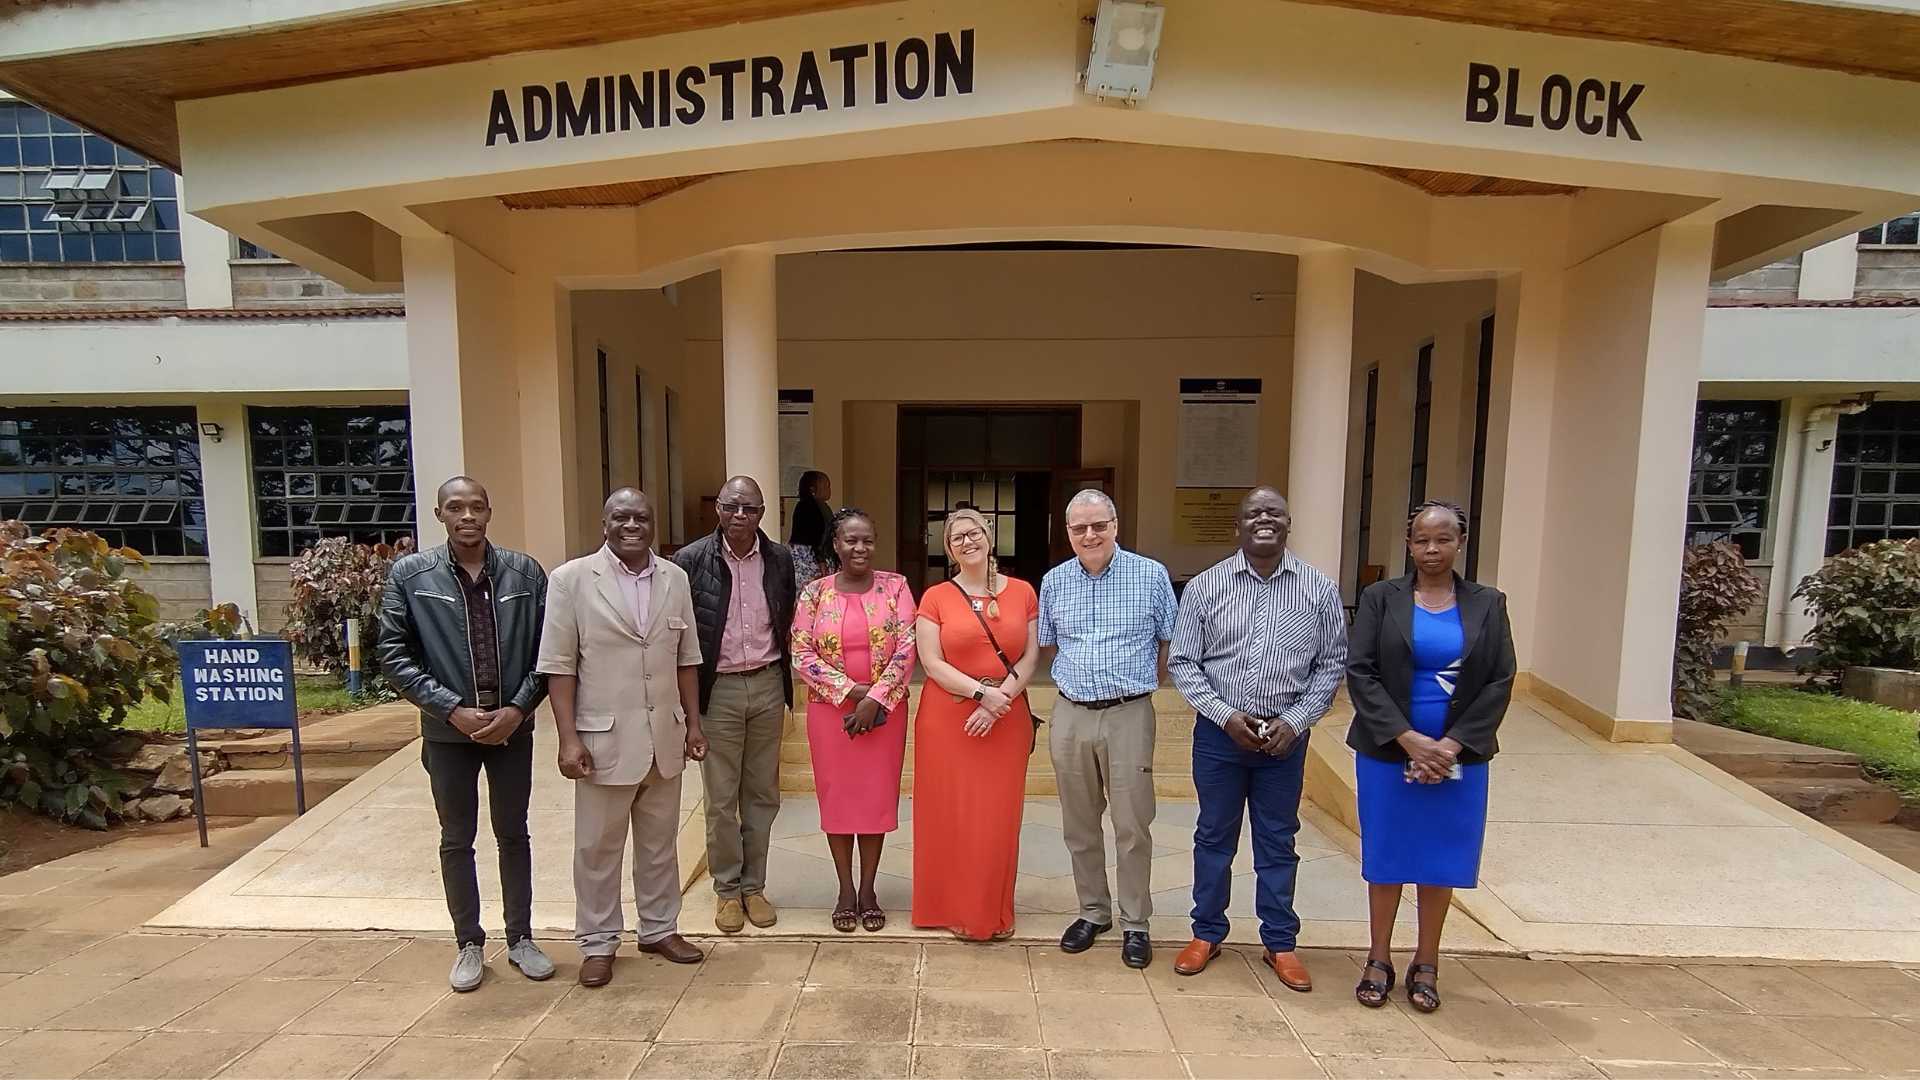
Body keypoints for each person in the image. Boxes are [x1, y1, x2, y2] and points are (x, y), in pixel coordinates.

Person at [378, 476, 554, 993]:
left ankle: (520, 937)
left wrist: (519, 708)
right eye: (456, 507)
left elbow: (550, 650)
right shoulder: (410, 575)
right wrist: (448, 708)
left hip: (511, 730)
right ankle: (468, 943)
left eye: (476, 506)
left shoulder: (525, 573)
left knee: (513, 833)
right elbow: (393, 654)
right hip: (447, 733)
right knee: (457, 838)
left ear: (489, 511)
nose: (467, 516)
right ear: (440, 515)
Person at [1168, 487, 1347, 992]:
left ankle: (1280, 942)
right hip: (1221, 736)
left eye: (1273, 512)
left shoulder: (1318, 590)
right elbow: (1183, 661)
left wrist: (1298, 720)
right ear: (1239, 525)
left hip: (1284, 740)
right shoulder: (1206, 586)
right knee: (1213, 836)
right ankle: (1207, 933)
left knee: (1277, 840)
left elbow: (1332, 664)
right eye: (1253, 513)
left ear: (1289, 522)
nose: (1263, 519)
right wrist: (1225, 717)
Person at [1346, 500, 1515, 1014]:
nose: (1432, 549)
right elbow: (1361, 671)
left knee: (1440, 859)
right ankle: (1378, 957)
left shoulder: (1488, 602)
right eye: (1422, 539)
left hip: (1456, 755)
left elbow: (1499, 680)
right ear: (1409, 543)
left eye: (1443, 539)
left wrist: (1449, 746)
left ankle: (1427, 961)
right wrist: (1408, 738)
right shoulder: (1381, 598)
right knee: (1388, 856)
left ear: (1460, 542)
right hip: (1388, 750)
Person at [537, 488, 709, 987]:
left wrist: (693, 723)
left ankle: (659, 928)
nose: (631, 525)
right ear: (604, 523)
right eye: (621, 517)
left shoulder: (674, 578)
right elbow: (559, 667)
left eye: (640, 517)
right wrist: (567, 738)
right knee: (597, 848)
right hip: (601, 743)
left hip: (664, 737)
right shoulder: (571, 580)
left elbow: (686, 659)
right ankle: (598, 942)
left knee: (659, 845)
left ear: (652, 523)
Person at [1038, 489, 1178, 969]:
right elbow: (1053, 647)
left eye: (1099, 525)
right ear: (1069, 533)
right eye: (1079, 528)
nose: (1090, 535)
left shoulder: (1151, 575)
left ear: (1116, 525)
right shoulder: (1054, 582)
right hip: (1072, 713)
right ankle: (1092, 911)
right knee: (1079, 823)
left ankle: (1136, 921)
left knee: (1132, 823)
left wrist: (1131, 688)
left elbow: (1167, 644)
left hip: (1128, 714)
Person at [671, 476, 796, 934]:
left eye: (750, 508)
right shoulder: (689, 560)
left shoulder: (779, 559)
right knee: (722, 798)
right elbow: (680, 633)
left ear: (762, 512)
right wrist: (686, 711)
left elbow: (787, 619)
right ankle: (726, 890)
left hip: (766, 683)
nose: (740, 516)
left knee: (761, 794)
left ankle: (754, 886)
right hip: (717, 689)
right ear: (717, 509)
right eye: (731, 507)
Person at [912, 509, 1039, 941]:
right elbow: (931, 662)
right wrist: (981, 695)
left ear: (989, 535)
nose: (967, 542)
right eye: (955, 538)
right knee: (952, 813)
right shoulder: (935, 597)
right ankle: (949, 907)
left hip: (1007, 717)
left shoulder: (1022, 592)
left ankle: (991, 910)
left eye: (973, 533)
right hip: (949, 718)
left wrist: (999, 699)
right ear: (948, 549)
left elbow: (1030, 658)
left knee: (997, 817)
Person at [791, 508, 918, 933]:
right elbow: (801, 652)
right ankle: (845, 889)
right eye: (850, 540)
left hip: (885, 713)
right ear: (836, 544)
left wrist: (877, 698)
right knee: (840, 799)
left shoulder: (896, 587)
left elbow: (907, 647)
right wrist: (854, 693)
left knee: (875, 799)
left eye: (866, 540)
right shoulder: (814, 594)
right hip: (831, 714)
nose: (859, 548)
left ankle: (869, 889)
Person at [789, 470, 832, 589]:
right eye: (826, 486)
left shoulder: (822, 506)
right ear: (812, 490)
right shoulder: (807, 507)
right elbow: (814, 535)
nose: (829, 490)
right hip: (808, 556)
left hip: (817, 554)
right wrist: (821, 559)